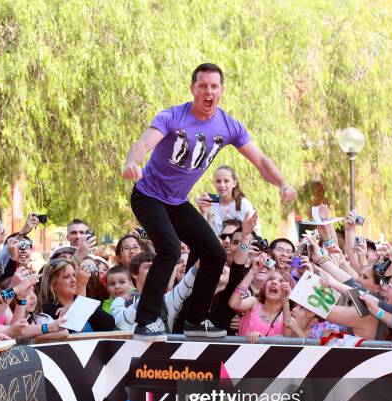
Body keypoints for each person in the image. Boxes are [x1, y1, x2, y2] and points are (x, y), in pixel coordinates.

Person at [122, 62, 296, 340]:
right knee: (169, 248)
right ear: (193, 89)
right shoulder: (172, 117)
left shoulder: (229, 126)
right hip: (148, 196)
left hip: (177, 202)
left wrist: (283, 182)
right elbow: (144, 143)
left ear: (221, 91)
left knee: (214, 254)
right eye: (202, 86)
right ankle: (146, 320)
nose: (208, 92)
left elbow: (260, 159)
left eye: (214, 86)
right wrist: (132, 161)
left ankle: (195, 320)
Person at [196, 165, 261, 235]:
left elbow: (255, 234)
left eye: (226, 181)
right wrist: (203, 212)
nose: (222, 185)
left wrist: (243, 245)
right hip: (217, 245)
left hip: (242, 245)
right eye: (218, 181)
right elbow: (204, 235)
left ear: (234, 183)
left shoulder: (244, 204)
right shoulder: (210, 205)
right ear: (214, 183)